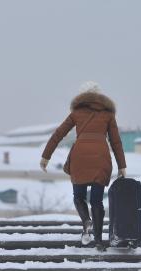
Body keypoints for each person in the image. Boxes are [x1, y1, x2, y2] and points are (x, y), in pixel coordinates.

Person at [40, 81, 126, 252]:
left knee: (79, 197)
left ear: (81, 96)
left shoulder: (76, 113)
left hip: (80, 158)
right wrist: (121, 165)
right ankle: (99, 242)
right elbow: (115, 141)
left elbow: (59, 134)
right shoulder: (108, 114)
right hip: (101, 157)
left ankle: (86, 221)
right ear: (100, 96)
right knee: (96, 201)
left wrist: (46, 156)